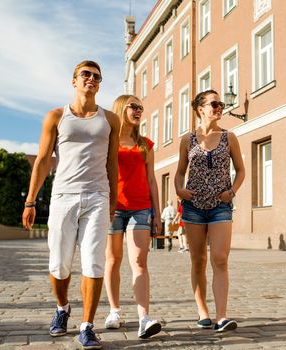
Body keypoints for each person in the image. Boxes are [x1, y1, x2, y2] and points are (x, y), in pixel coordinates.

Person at [22, 60, 120, 350]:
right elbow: (42, 161)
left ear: (100, 84)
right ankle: (62, 307)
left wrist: (112, 199)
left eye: (96, 76)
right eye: (85, 74)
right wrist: (30, 201)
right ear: (74, 81)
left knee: (93, 261)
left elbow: (112, 163)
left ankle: (87, 326)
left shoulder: (110, 119)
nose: (91, 78)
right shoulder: (56, 116)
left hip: (98, 197)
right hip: (63, 196)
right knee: (59, 263)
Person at [174, 89, 245, 333]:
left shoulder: (229, 137)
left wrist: (231, 192)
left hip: (220, 207)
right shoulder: (188, 139)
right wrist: (179, 190)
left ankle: (221, 316)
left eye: (221, 103)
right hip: (193, 207)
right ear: (200, 109)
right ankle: (202, 311)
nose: (219, 107)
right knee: (198, 261)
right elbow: (180, 171)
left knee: (220, 259)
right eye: (214, 103)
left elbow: (241, 170)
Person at [103, 95, 162, 339]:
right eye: (133, 107)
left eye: (141, 108)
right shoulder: (107, 141)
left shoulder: (146, 144)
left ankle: (143, 318)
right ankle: (114, 311)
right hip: (112, 207)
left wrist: (157, 213)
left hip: (140, 207)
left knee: (139, 260)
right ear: (121, 109)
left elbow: (151, 179)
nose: (139, 111)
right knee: (113, 259)